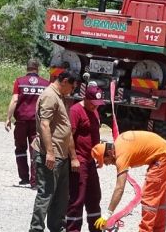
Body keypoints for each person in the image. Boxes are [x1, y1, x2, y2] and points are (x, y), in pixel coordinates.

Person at [91, 131, 166, 232]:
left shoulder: (121, 156)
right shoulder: (118, 143)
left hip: (163, 158)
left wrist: (107, 215)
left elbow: (119, 188)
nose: (108, 164)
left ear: (110, 153)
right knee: (159, 202)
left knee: (149, 200)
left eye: (106, 161)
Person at [29, 70, 80, 232]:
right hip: (50, 155)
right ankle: (36, 228)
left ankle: (57, 227)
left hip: (61, 155)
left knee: (61, 197)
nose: (72, 91)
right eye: (71, 87)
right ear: (64, 81)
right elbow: (45, 125)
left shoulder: (60, 96)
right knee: (46, 194)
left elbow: (65, 129)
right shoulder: (50, 96)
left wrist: (73, 156)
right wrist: (49, 152)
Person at [66, 82, 104, 232]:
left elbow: (95, 135)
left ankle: (96, 228)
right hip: (79, 160)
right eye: (93, 103)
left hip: (90, 161)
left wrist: (99, 156)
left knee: (94, 196)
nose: (96, 106)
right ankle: (73, 229)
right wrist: (73, 158)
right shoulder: (75, 111)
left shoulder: (94, 111)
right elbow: (69, 135)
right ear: (86, 98)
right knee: (77, 198)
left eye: (98, 104)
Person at [5, 58, 49, 187]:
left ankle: (24, 177)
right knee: (35, 149)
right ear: (38, 68)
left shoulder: (20, 81)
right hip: (36, 122)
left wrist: (8, 118)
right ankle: (35, 181)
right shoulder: (45, 84)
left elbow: (14, 100)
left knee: (20, 149)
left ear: (27, 68)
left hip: (21, 121)